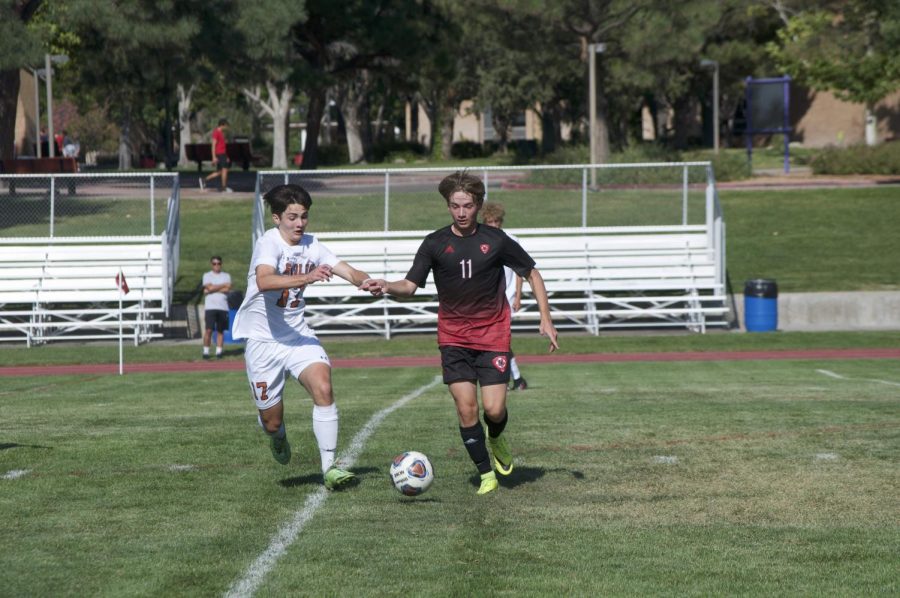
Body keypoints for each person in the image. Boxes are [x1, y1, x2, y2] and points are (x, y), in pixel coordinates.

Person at [361, 171, 559, 495]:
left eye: (467, 206)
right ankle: (486, 474)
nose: (462, 213)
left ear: (478, 205)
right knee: (466, 407)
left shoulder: (496, 241)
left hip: (493, 335)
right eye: (455, 206)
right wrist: (387, 286)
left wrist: (546, 319)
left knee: (494, 410)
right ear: (448, 206)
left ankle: (495, 437)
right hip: (453, 337)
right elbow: (410, 285)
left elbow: (532, 273)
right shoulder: (435, 243)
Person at [231, 183, 374, 490]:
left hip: (298, 336)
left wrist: (366, 281)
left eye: (304, 216)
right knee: (271, 421)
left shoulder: (313, 245)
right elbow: (265, 279)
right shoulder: (268, 243)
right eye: (292, 217)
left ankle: (330, 468)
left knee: (323, 386)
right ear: (276, 218)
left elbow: (347, 270)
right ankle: (277, 436)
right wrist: (307, 276)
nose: (299, 223)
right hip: (263, 343)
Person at [481, 202, 527, 391]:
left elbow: (519, 270)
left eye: (497, 221)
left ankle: (508, 378)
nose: (494, 225)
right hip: (487, 299)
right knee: (493, 339)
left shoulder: (511, 239)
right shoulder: (480, 240)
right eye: (490, 222)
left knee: (499, 339)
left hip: (506, 297)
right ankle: (516, 379)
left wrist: (518, 296)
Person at [201, 256, 232, 359]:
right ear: (211, 264)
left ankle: (219, 352)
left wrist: (211, 289)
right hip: (211, 307)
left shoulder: (226, 276)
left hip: (223, 307)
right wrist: (221, 286)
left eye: (218, 263)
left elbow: (227, 289)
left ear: (221, 264)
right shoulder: (207, 275)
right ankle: (206, 352)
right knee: (209, 330)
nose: (216, 265)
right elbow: (209, 287)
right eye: (214, 263)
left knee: (220, 331)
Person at [200, 118, 231, 193]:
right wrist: (213, 157)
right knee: (225, 170)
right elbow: (213, 145)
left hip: (222, 154)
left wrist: (226, 156)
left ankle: (204, 180)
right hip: (219, 154)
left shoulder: (221, 133)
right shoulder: (216, 132)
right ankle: (224, 188)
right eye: (226, 126)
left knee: (219, 172)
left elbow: (222, 146)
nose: (226, 128)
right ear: (222, 125)